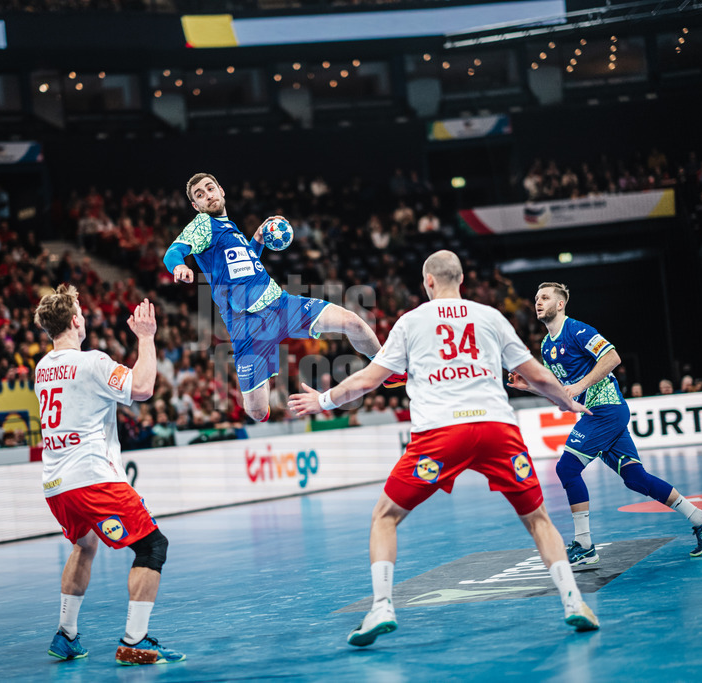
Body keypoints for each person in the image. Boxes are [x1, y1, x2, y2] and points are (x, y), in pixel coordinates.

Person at [288, 251, 599, 647]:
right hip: (495, 429)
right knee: (538, 519)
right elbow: (533, 373)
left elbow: (367, 379)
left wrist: (324, 401)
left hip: (440, 434)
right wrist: (566, 401)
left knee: (384, 517)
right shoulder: (490, 317)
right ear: (462, 279)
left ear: (428, 282)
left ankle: (382, 606)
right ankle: (574, 602)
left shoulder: (411, 322)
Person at [163, 173, 406, 422]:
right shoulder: (203, 224)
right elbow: (173, 252)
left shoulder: (230, 229)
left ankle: (390, 371)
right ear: (196, 206)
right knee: (256, 412)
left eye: (210, 188)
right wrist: (178, 267)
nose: (207, 195)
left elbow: (246, 265)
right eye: (199, 195)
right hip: (248, 326)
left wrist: (256, 240)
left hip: (280, 304)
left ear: (221, 191)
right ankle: (265, 377)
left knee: (352, 322)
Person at [509, 282, 702, 566]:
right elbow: (558, 392)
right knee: (636, 478)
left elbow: (612, 357)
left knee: (566, 468)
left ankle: (584, 544)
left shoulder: (578, 330)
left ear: (560, 304)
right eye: (536, 298)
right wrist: (530, 387)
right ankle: (701, 518)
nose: (538, 302)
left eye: (545, 297)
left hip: (605, 409)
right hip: (594, 414)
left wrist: (579, 385)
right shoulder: (547, 346)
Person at [32, 285, 184, 666]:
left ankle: (66, 634)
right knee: (152, 547)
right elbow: (144, 387)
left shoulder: (42, 368)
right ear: (75, 321)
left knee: (85, 545)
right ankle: (136, 641)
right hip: (92, 478)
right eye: (80, 310)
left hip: (56, 484)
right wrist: (146, 339)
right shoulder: (92, 362)